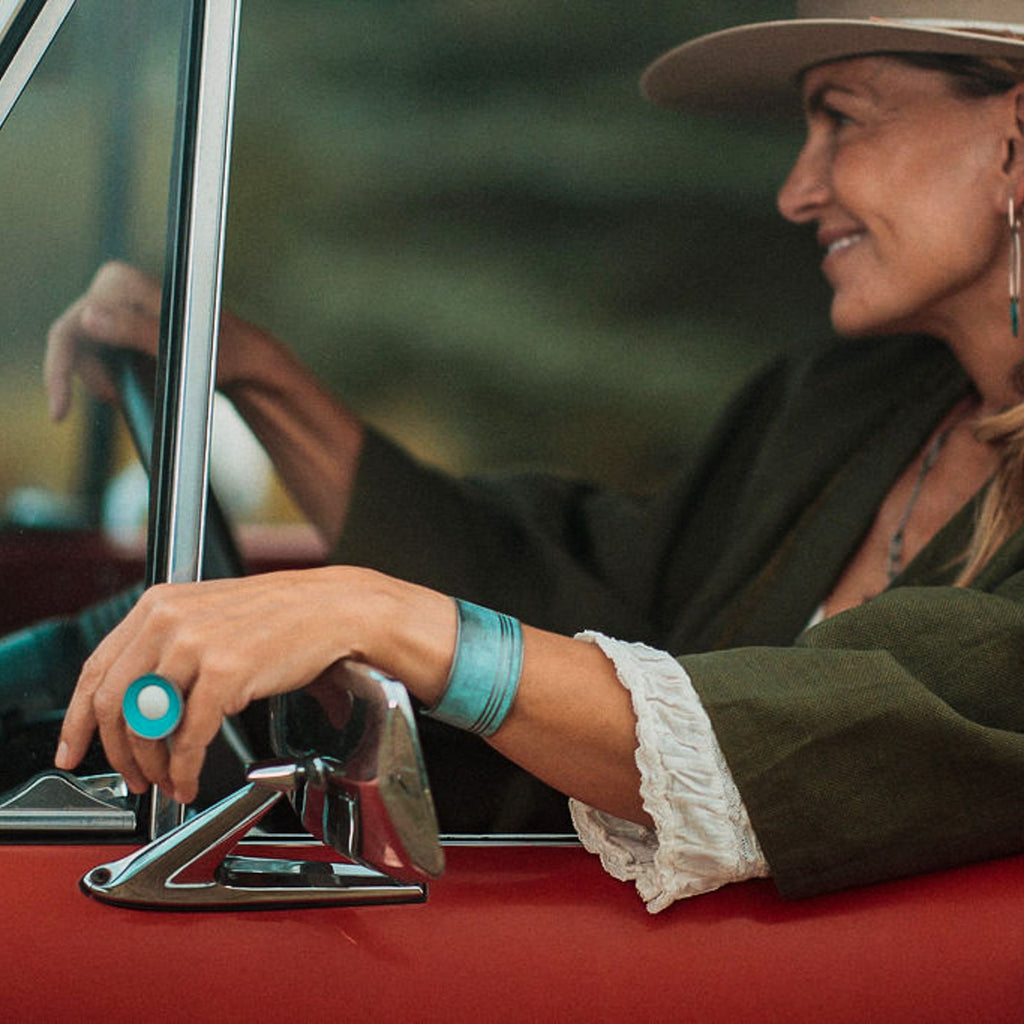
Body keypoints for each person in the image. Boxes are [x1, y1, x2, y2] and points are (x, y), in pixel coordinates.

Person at [44, 0, 1024, 912]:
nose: (795, 191)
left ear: (1015, 141)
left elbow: (846, 732)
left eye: (842, 119)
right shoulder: (848, 401)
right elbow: (591, 600)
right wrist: (259, 376)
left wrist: (372, 608)